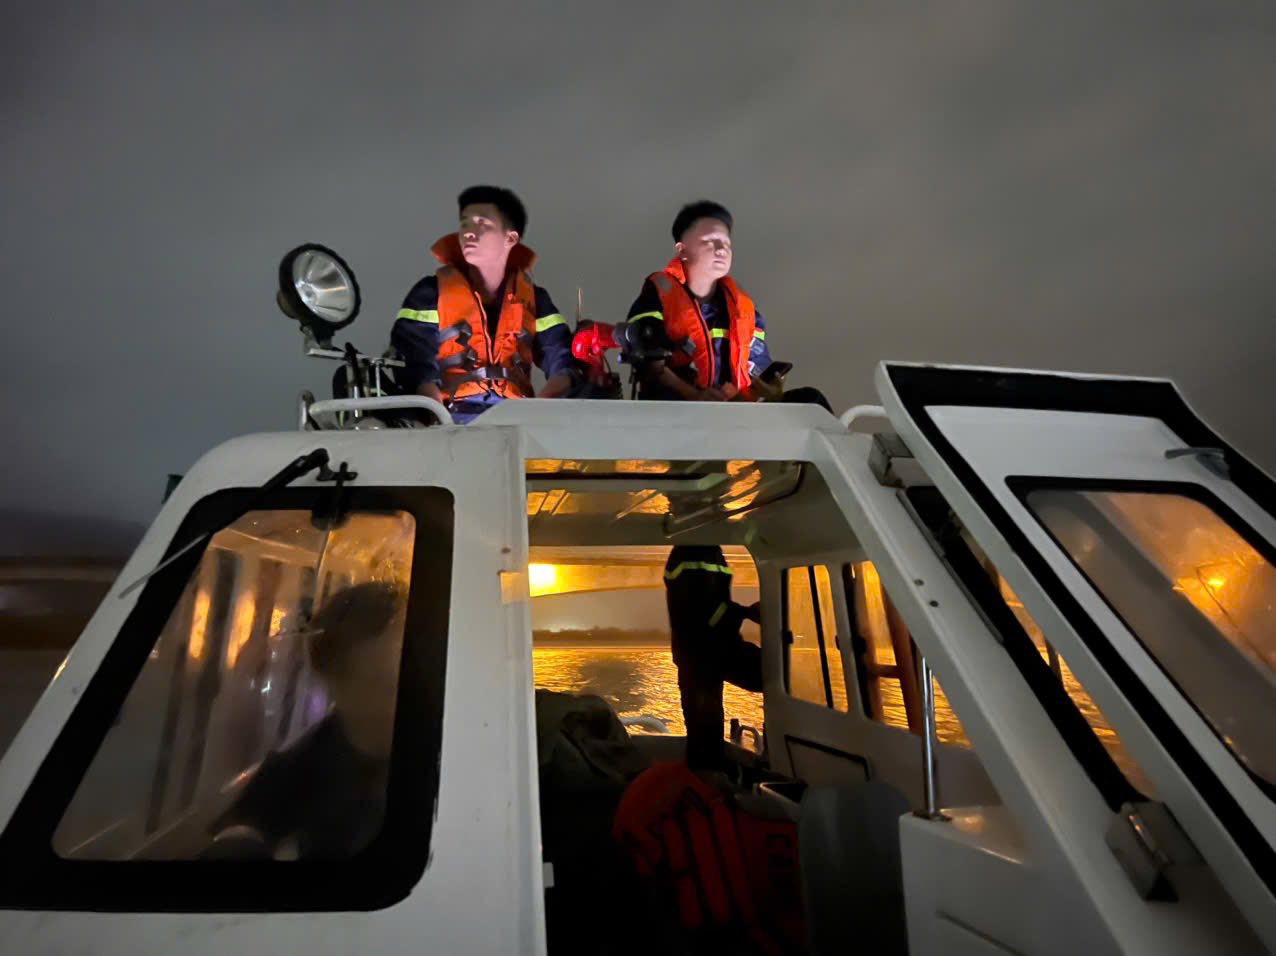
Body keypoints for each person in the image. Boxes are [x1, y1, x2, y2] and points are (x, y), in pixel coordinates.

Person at [207, 582, 404, 860]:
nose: (396, 695)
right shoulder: (296, 770)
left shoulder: (457, 754)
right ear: (335, 683)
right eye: (381, 680)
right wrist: (239, 841)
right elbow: (241, 830)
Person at [622, 200, 831, 410]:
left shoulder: (744, 309)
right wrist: (695, 396)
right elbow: (645, 359)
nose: (722, 249)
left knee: (811, 400)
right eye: (710, 241)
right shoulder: (659, 294)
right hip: (678, 412)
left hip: (735, 413)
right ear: (682, 250)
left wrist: (768, 392)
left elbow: (756, 367)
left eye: (727, 243)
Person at [390, 186, 574, 423]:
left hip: (518, 418)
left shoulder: (536, 299)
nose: (468, 232)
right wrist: (439, 420)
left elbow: (562, 359)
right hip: (450, 417)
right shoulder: (430, 292)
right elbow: (413, 359)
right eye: (465, 224)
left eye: (482, 224)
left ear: (510, 238)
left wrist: (538, 411)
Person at [663, 545, 763, 771]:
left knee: (777, 673)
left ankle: (709, 781)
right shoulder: (689, 554)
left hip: (712, 650)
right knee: (704, 730)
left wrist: (744, 613)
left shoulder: (709, 551)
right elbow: (701, 614)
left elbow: (713, 607)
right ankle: (704, 787)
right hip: (702, 655)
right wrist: (745, 613)